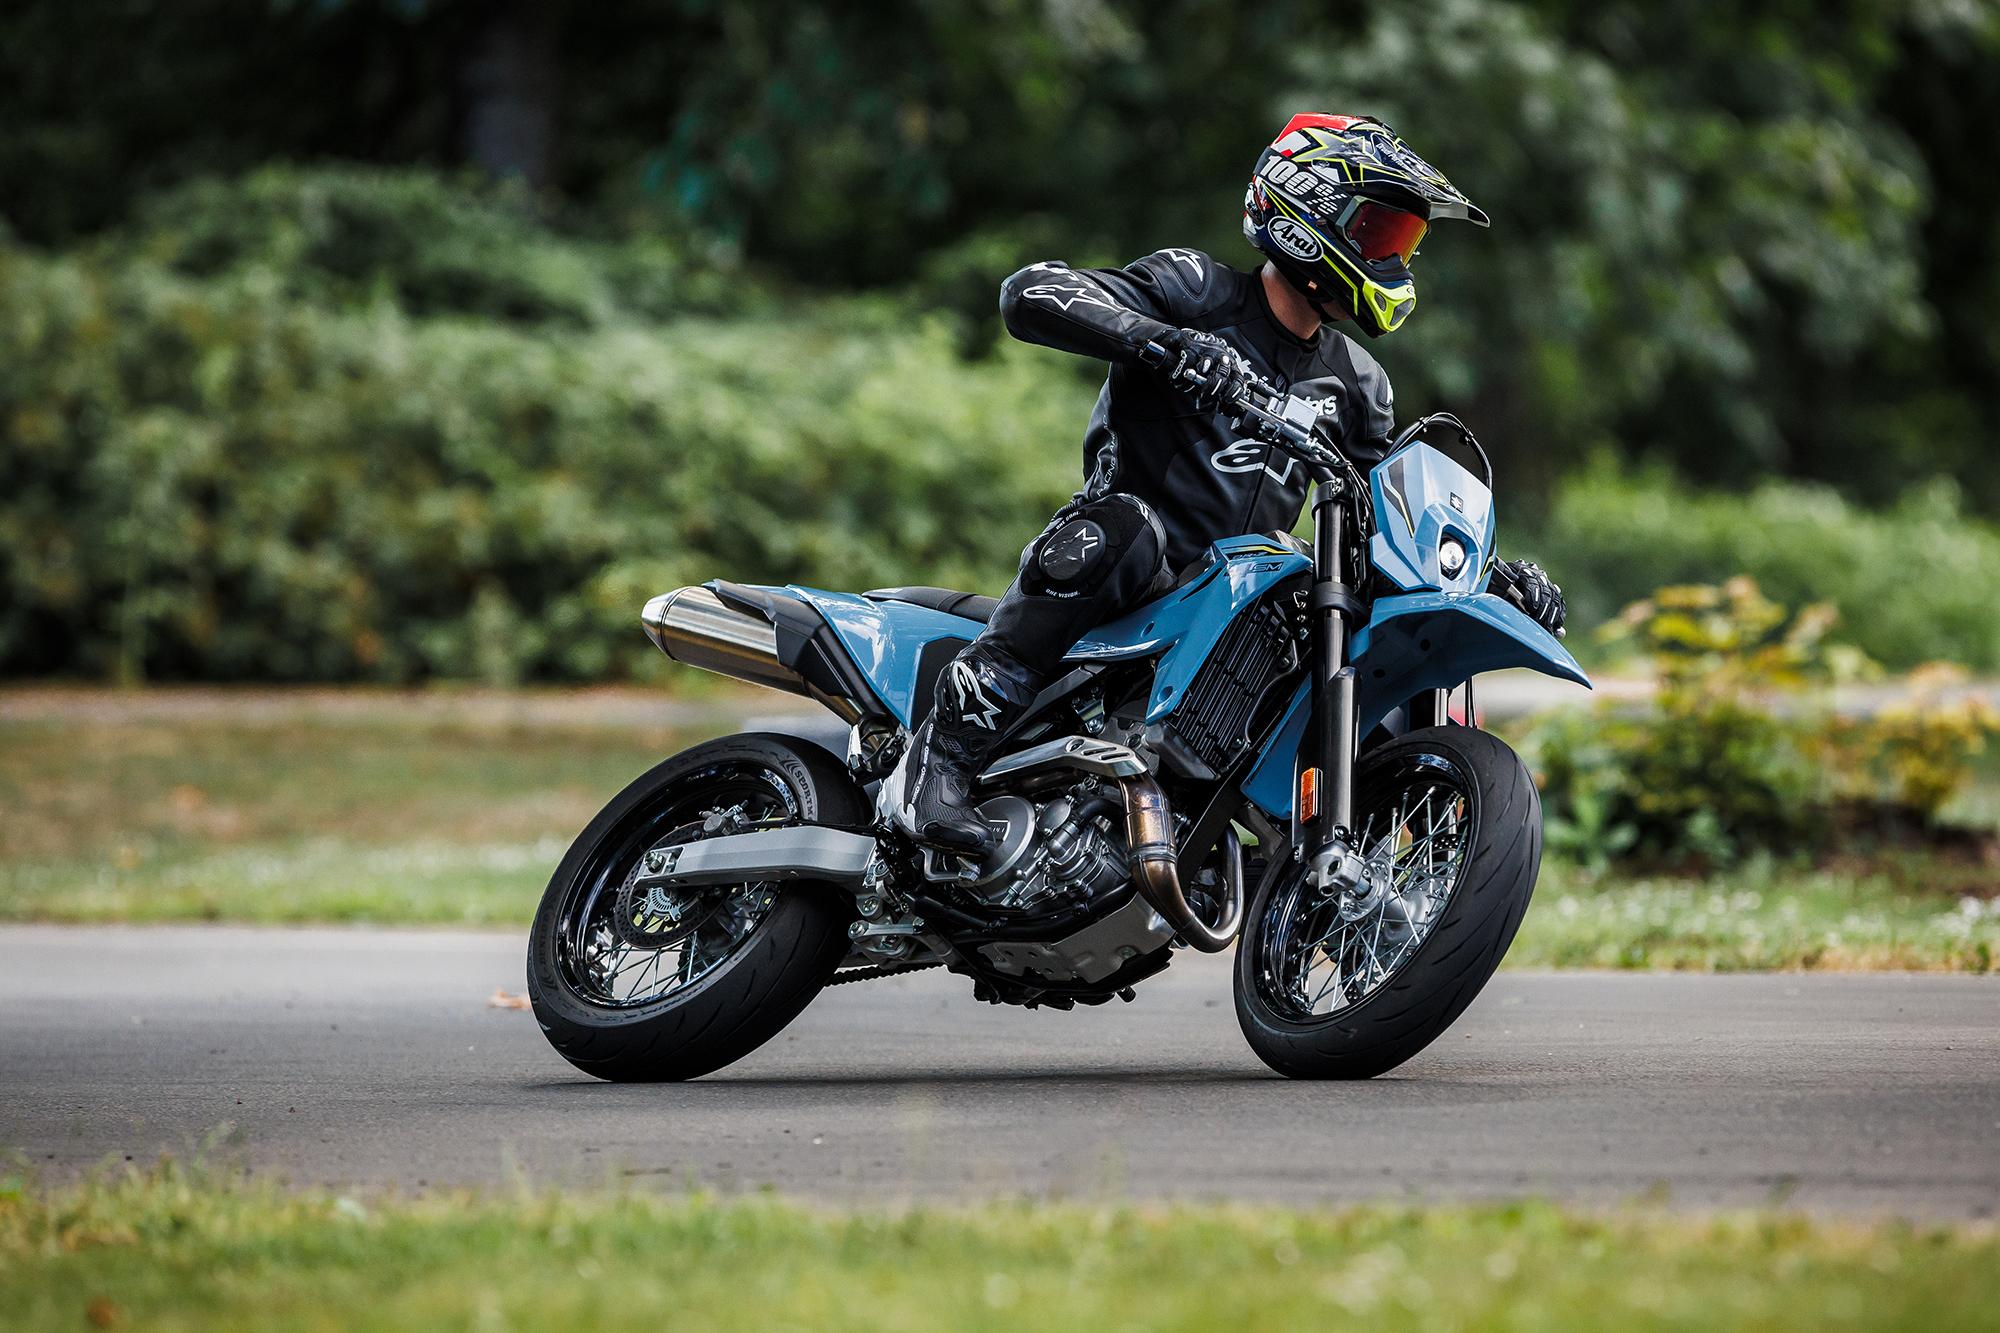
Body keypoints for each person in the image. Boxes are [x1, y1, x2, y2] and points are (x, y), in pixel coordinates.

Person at [887, 112, 1566, 853]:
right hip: (1128, 578)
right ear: (1310, 211)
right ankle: (935, 767)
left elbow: (1386, 523)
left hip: (1240, 606)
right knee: (1125, 532)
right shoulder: (1197, 289)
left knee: (1347, 611)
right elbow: (1031, 293)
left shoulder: (1359, 384)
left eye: (1403, 243)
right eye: (1379, 234)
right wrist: (1167, 343)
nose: (1394, 259)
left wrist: (1486, 579)